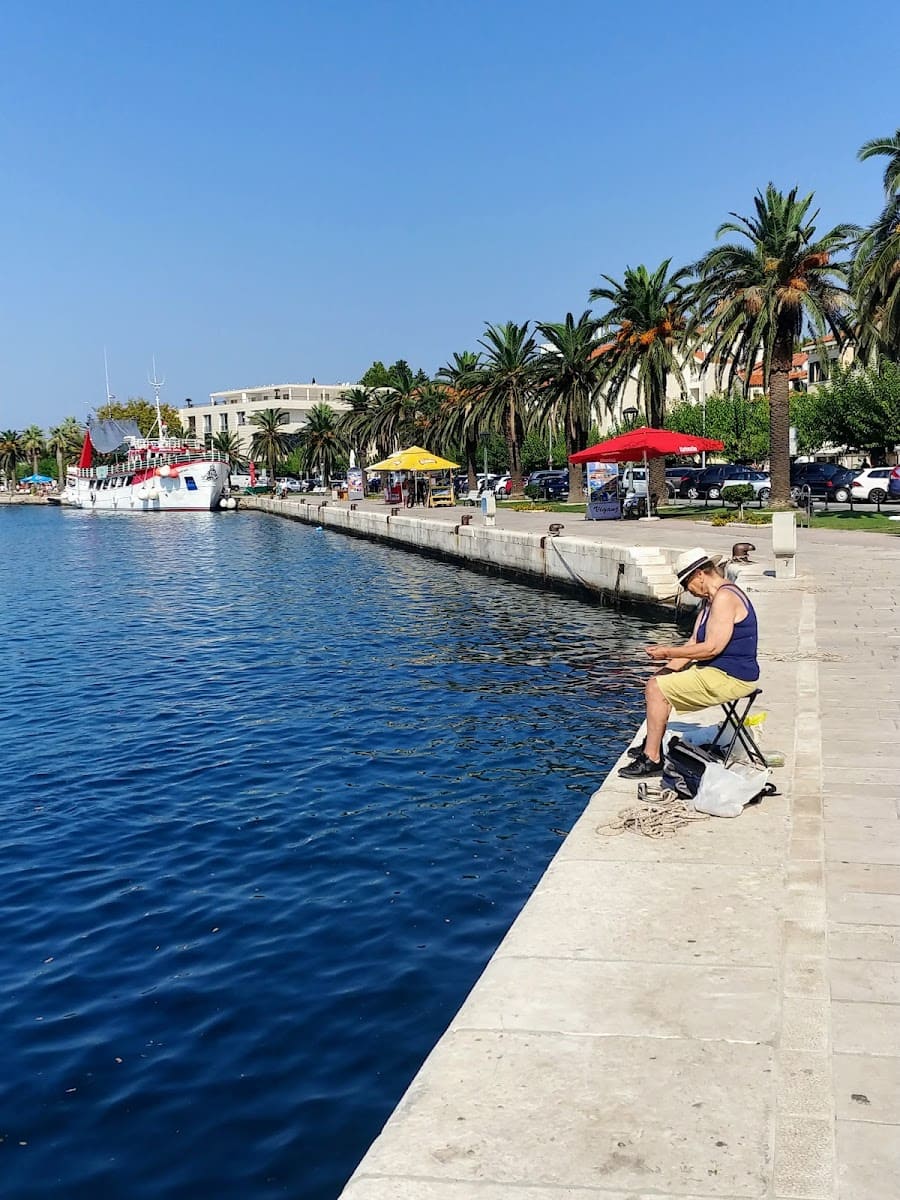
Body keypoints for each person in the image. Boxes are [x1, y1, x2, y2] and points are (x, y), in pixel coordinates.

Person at [619, 546, 760, 779]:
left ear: (699, 575)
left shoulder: (725, 597)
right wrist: (666, 669)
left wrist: (666, 651)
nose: (688, 591)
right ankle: (651, 743)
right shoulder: (710, 601)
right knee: (658, 682)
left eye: (686, 585)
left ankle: (652, 759)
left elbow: (712, 647)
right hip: (717, 670)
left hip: (733, 677)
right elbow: (694, 641)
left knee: (657, 690)